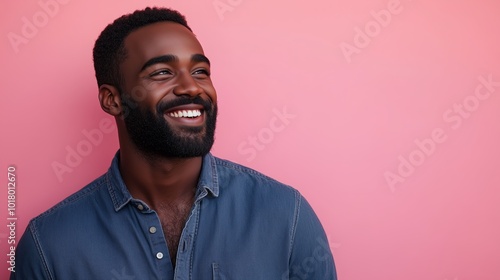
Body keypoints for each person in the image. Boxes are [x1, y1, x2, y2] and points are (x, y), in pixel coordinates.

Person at [11, 7, 337, 280]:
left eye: (200, 71)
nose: (192, 87)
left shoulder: (286, 214)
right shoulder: (48, 245)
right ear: (112, 100)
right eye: (162, 72)